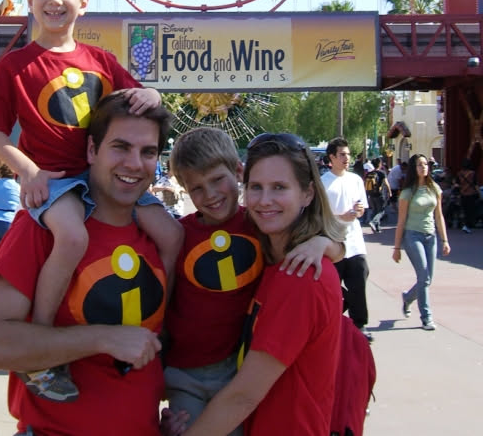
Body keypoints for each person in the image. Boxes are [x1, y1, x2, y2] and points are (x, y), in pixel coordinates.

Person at [0, 0, 182, 400]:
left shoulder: (100, 61)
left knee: (170, 233)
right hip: (57, 181)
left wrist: (154, 95)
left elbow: (140, 96)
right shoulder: (15, 65)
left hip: (99, 177)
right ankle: (43, 349)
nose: (55, 0)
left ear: (83, 2)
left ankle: (163, 326)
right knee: (72, 238)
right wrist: (28, 172)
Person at [0, 94, 173, 435]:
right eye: (120, 147)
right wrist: (102, 338)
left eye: (148, 152)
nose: (135, 163)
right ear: (92, 150)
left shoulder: (161, 236)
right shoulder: (44, 229)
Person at [164, 128, 345, 434]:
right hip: (190, 370)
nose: (265, 201)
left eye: (279, 187)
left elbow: (242, 397)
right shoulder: (264, 239)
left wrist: (324, 244)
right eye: (257, 188)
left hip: (242, 379)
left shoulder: (285, 257)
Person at [322, 137, 373, 342]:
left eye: (348, 154)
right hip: (332, 242)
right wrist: (340, 217)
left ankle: (359, 325)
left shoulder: (356, 180)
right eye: (342, 154)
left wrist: (358, 211)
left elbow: (361, 208)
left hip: (354, 242)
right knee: (333, 287)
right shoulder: (323, 183)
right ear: (332, 157)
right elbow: (319, 215)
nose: (346, 158)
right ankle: (332, 323)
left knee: (359, 279)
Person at [392, 154, 450, 331]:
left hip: (430, 236)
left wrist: (444, 240)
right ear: (413, 168)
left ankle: (408, 298)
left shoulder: (434, 189)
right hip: (412, 236)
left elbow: (439, 216)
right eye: (419, 165)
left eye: (425, 164)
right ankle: (426, 317)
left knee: (427, 279)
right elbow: (401, 221)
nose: (423, 167)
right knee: (423, 276)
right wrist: (397, 247)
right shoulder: (408, 192)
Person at [454, 158, 479, 234]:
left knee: (464, 210)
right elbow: (475, 184)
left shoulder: (459, 174)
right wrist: (480, 193)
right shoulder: (473, 173)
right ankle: (468, 225)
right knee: (471, 210)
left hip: (462, 194)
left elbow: (456, 185)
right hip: (471, 194)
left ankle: (464, 224)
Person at [366, 157, 391, 233]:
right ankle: (373, 222)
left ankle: (377, 228)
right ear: (379, 164)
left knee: (375, 210)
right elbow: (386, 183)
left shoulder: (369, 173)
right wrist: (390, 192)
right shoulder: (381, 173)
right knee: (381, 211)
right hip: (380, 194)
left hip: (371, 195)